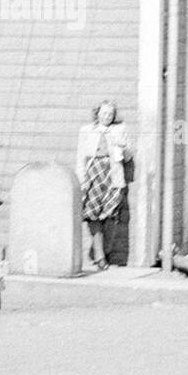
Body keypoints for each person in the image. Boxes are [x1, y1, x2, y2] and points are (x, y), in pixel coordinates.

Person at [75, 100, 131, 271]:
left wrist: (123, 146)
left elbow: (128, 157)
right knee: (93, 215)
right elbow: (81, 157)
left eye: (110, 114)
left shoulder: (119, 130)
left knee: (110, 215)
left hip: (112, 173)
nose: (107, 117)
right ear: (97, 113)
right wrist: (81, 179)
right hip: (93, 172)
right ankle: (99, 256)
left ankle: (106, 250)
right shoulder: (87, 130)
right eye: (104, 113)